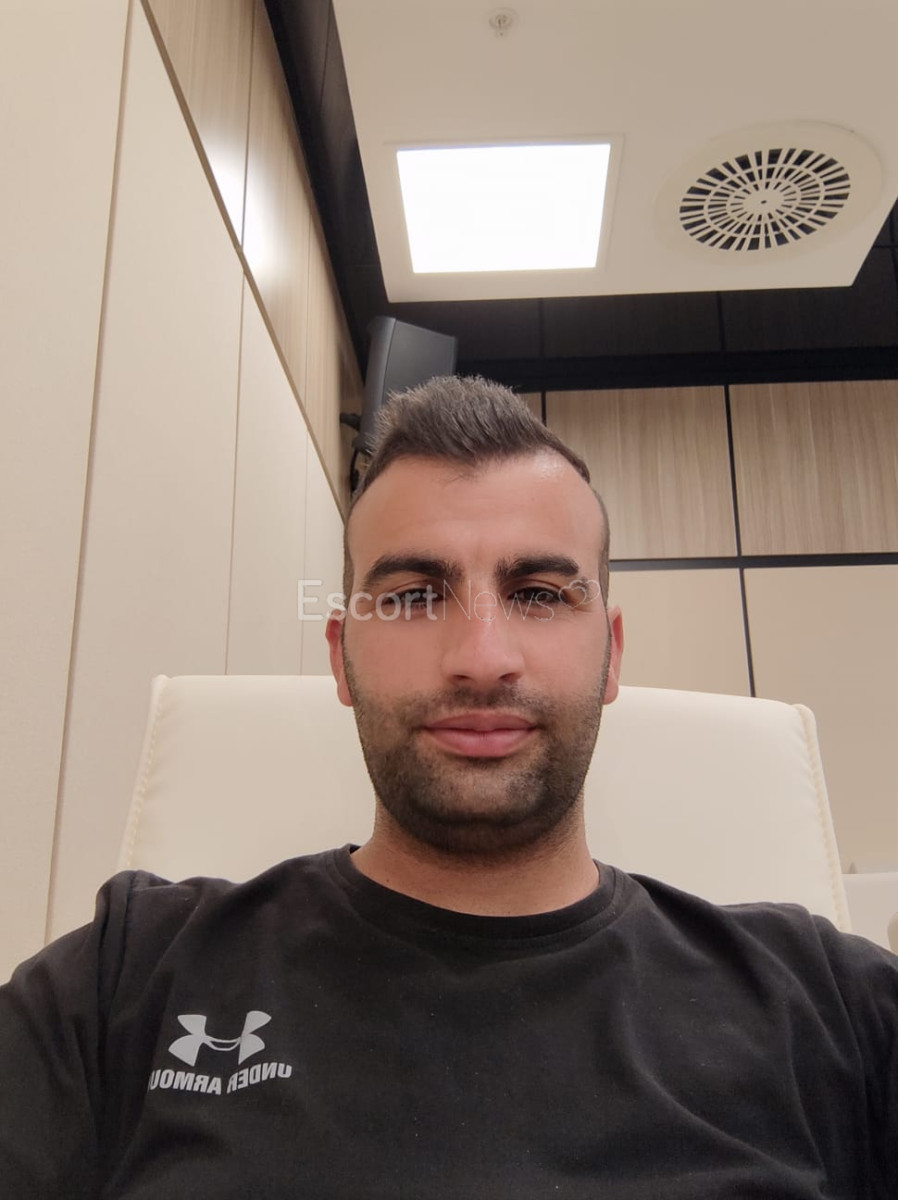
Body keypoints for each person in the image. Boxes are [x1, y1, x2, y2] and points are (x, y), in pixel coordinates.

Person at [0, 376, 895, 1198]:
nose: (481, 658)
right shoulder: (127, 981)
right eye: (413, 595)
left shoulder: (827, 1007)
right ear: (341, 658)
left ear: (612, 654)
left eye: (539, 593)